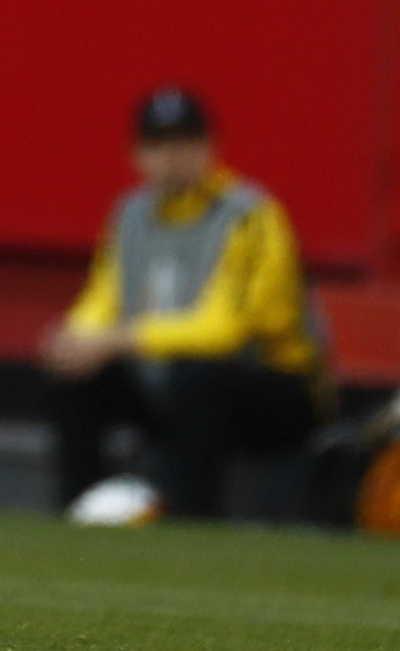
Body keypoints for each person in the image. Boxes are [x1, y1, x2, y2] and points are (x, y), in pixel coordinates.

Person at [42, 89, 326, 522]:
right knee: (75, 374)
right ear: (136, 154)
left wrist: (121, 339)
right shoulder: (130, 216)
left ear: (210, 147)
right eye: (158, 144)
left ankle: (193, 521)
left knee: (198, 376)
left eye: (185, 143)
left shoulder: (251, 216)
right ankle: (83, 513)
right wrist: (73, 339)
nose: (172, 157)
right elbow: (103, 298)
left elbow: (226, 331)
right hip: (171, 384)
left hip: (274, 389)